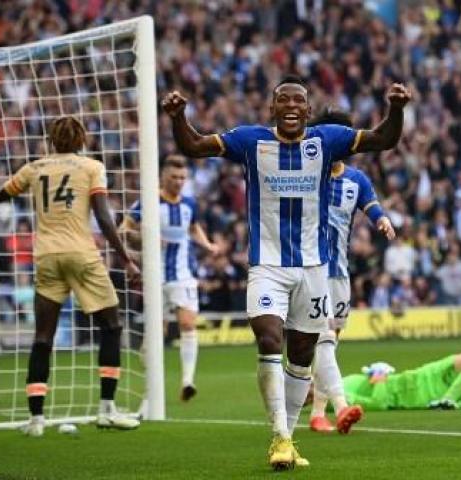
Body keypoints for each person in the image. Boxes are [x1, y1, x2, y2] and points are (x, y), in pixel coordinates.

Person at [161, 75, 411, 470]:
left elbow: (384, 139)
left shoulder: (326, 140)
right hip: (268, 265)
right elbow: (193, 146)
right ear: (272, 108)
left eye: (299, 100)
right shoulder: (250, 140)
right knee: (268, 336)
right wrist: (178, 117)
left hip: (314, 268)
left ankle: (288, 439)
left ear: (308, 111)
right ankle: (278, 434)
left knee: (301, 355)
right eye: (284, 100)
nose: (292, 106)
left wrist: (396, 109)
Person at [0, 116, 141, 436]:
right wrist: (126, 260)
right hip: (81, 255)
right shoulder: (91, 167)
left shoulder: (33, 168)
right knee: (111, 326)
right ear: (81, 140)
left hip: (46, 258)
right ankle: (107, 409)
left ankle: (36, 420)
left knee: (43, 338)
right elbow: (104, 218)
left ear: (51, 140)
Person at [304, 107, 396, 435]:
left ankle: (317, 413)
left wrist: (382, 220)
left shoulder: (356, 180)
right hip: (310, 270)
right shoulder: (308, 174)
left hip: (340, 274)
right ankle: (340, 406)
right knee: (324, 338)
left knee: (329, 342)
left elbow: (371, 205)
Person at [120, 155, 219, 402]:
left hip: (183, 275)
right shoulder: (149, 202)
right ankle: (149, 393)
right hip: (154, 277)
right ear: (164, 177)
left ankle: (187, 381)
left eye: (182, 178)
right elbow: (124, 230)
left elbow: (193, 227)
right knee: (155, 334)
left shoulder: (189, 204)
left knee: (187, 324)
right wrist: (145, 238)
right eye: (174, 177)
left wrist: (207, 244)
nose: (178, 182)